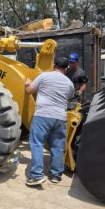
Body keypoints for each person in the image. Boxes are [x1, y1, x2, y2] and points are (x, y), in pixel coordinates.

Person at [24, 57, 75, 186]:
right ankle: (56, 175)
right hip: (60, 118)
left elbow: (30, 91)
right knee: (58, 147)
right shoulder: (69, 83)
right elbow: (68, 98)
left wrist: (27, 83)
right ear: (66, 68)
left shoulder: (44, 76)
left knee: (37, 144)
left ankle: (36, 175)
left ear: (54, 65)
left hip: (43, 115)